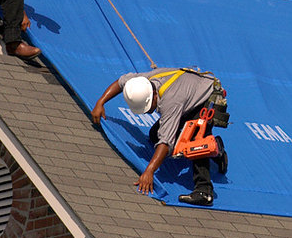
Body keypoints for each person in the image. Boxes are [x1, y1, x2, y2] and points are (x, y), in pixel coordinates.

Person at [91, 68, 228, 206]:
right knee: (154, 135)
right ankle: (214, 147)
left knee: (197, 143)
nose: (148, 112)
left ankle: (204, 191)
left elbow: (166, 142)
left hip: (208, 98)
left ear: (154, 96)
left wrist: (149, 171)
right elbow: (120, 82)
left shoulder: (171, 101)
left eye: (148, 108)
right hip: (189, 94)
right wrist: (100, 103)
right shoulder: (142, 82)